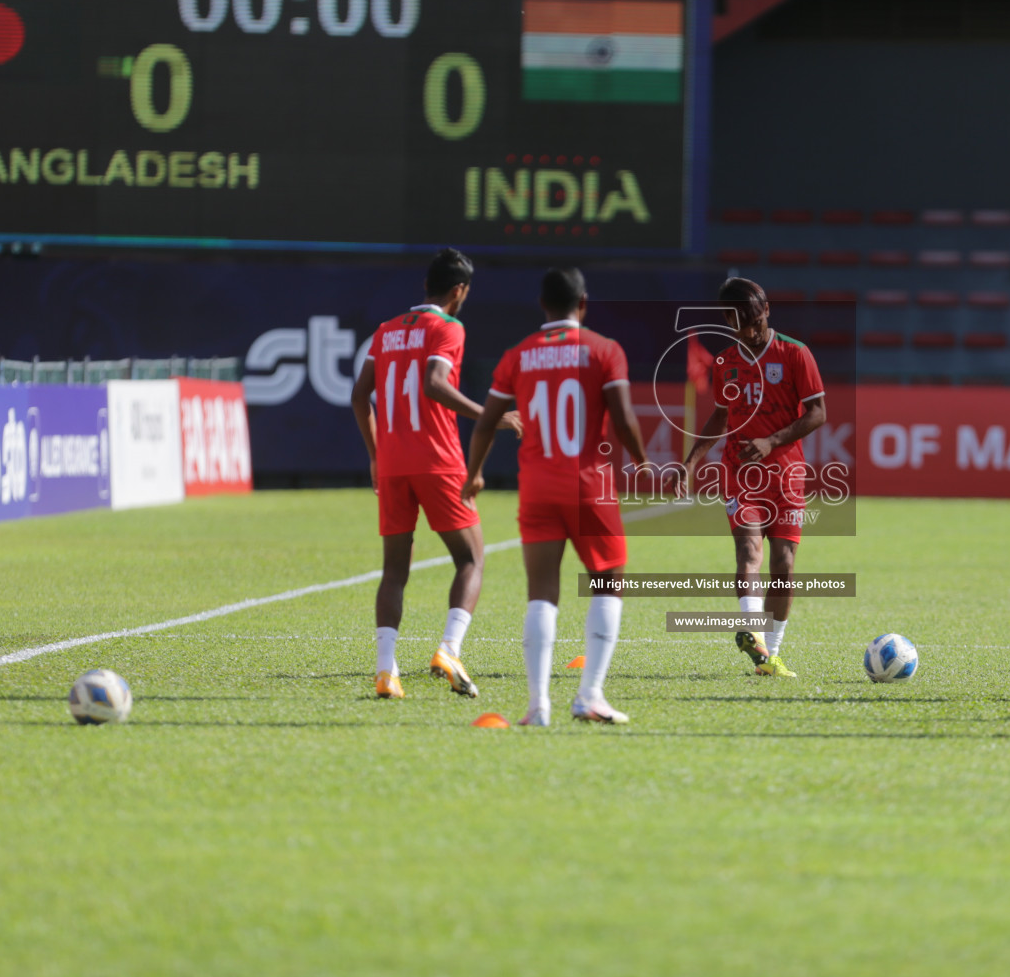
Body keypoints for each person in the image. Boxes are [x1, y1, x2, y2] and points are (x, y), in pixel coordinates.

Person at [463, 268, 650, 726]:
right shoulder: (604, 350)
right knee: (608, 579)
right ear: (582, 304)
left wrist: (475, 473)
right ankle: (589, 696)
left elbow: (487, 420)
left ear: (543, 306)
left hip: (538, 485)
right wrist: (642, 461)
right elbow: (623, 417)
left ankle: (537, 706)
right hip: (589, 482)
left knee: (541, 594)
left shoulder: (519, 356)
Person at [350, 248, 521, 701]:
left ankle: (386, 671)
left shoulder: (385, 332)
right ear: (458, 291)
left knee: (394, 571)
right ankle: (448, 649)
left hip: (392, 464)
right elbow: (434, 383)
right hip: (437, 460)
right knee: (471, 559)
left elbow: (358, 396)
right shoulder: (448, 327)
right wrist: (491, 417)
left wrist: (375, 454)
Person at [679, 278, 827, 678]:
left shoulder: (796, 354)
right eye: (738, 322)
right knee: (749, 553)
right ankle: (755, 637)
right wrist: (691, 461)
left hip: (785, 476)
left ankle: (770, 655)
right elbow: (721, 415)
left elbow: (817, 412)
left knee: (784, 565)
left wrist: (772, 441)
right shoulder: (726, 361)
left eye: (752, 319)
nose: (748, 329)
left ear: (765, 311)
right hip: (740, 475)